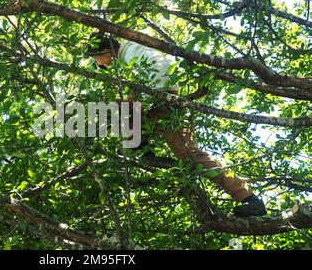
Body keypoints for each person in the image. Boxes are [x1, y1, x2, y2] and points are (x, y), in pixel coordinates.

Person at [84, 32, 267, 217]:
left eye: (96, 58)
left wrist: (136, 103)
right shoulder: (131, 51)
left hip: (166, 103)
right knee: (187, 153)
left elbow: (159, 76)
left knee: (190, 154)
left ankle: (249, 198)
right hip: (162, 101)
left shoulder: (131, 54)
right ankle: (142, 147)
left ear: (105, 52)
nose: (99, 64)